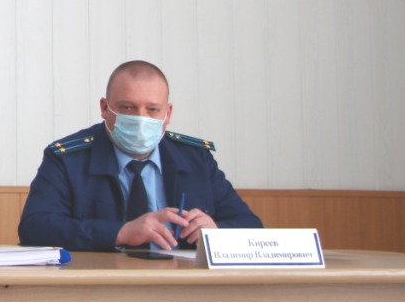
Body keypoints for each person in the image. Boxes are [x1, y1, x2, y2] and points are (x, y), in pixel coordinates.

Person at [18, 60, 261, 252]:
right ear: (105, 108)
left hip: (184, 286)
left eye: (152, 109)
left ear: (167, 113)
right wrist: (119, 232)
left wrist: (216, 231)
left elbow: (251, 226)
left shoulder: (196, 159)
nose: (141, 118)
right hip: (101, 287)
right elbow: (35, 227)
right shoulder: (68, 158)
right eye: (128, 108)